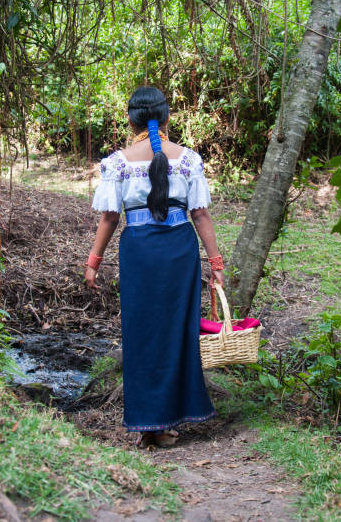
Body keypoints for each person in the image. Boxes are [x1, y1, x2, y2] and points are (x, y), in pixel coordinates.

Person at [85, 86, 224, 448]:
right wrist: (216, 263)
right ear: (166, 118)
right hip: (180, 251)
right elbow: (201, 214)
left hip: (140, 252)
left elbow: (109, 219)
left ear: (130, 119)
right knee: (179, 333)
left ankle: (151, 425)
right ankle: (170, 419)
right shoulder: (189, 159)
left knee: (141, 334)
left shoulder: (118, 162)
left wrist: (93, 263)